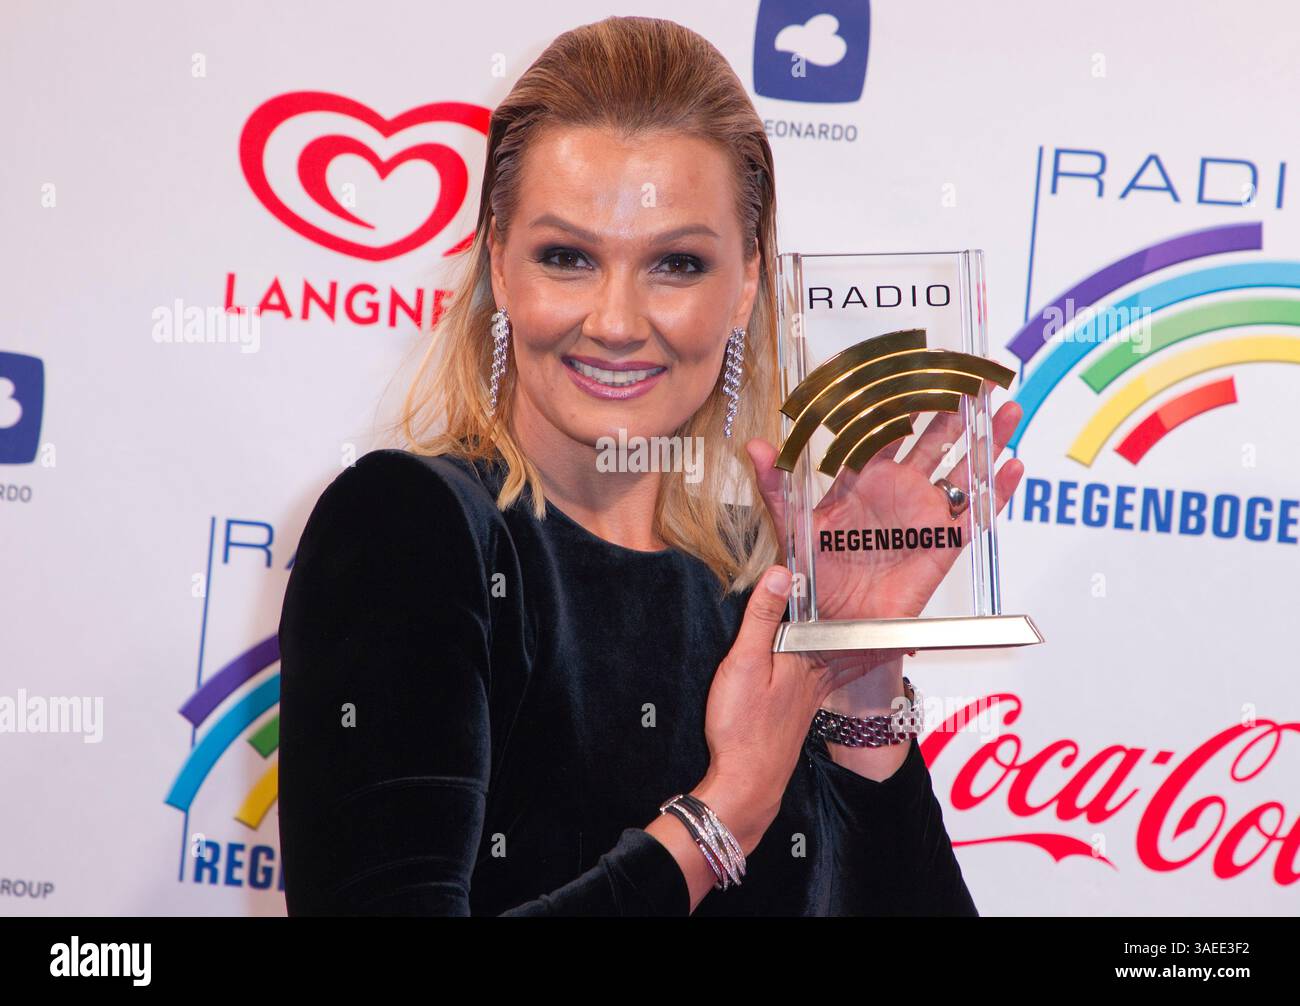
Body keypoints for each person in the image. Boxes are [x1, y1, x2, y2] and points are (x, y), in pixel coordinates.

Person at [277, 14, 1025, 916]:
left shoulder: (767, 582)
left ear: (747, 281)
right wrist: (722, 815)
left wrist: (860, 685)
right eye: (567, 257)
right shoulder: (410, 528)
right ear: (499, 269)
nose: (619, 321)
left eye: (676, 263)